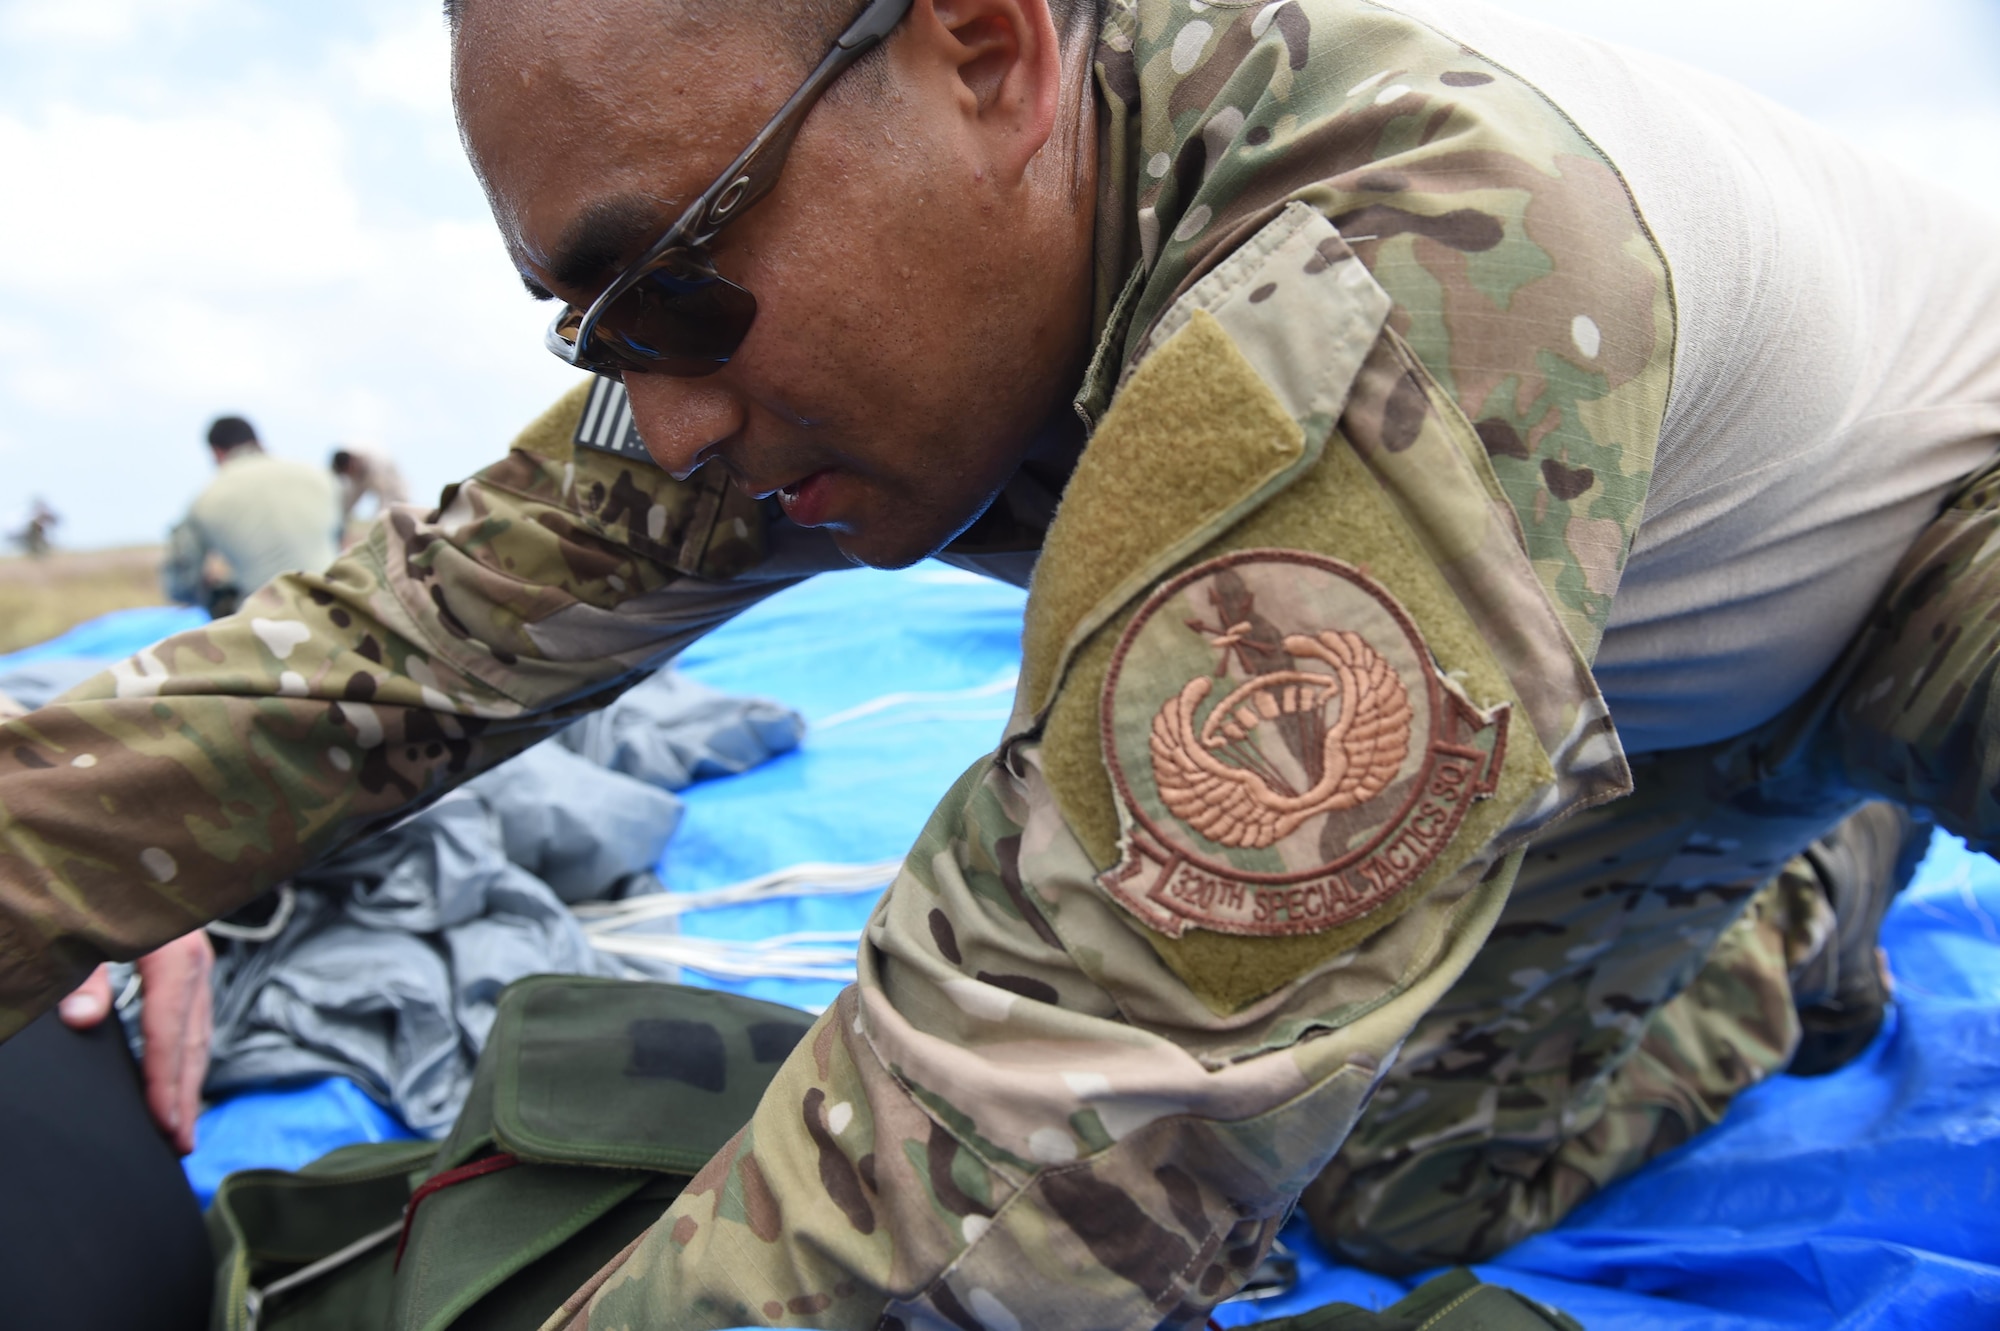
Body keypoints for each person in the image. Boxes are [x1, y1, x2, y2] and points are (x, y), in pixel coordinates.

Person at [2, 0, 1997, 1327]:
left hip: (1934, 547)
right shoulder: (788, 305)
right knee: (1400, 1196)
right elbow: (359, 664)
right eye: (598, 328)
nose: (668, 416)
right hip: (1656, 708)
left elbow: (1026, 1141)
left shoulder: (1395, 260)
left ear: (986, 48)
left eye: (676, 281)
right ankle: (1801, 897)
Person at [161, 415, 343, 617]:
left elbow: (181, 584)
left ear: (217, 452)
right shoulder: (319, 476)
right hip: (335, 608)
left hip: (265, 621)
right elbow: (337, 540)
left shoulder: (206, 498)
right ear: (257, 442)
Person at [330, 443, 411, 524]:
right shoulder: (353, 475)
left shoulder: (377, 464)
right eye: (347, 473)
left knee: (393, 514)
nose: (350, 473)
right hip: (368, 478)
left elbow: (386, 497)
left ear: (353, 460)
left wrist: (380, 520)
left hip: (394, 489)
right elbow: (348, 501)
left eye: (350, 469)